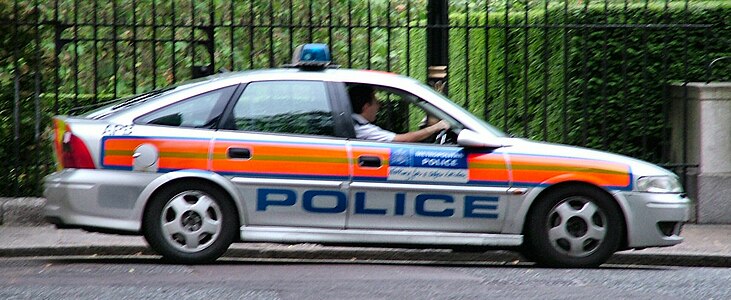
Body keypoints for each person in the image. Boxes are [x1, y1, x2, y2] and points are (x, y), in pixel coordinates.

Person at [348, 85, 450, 143]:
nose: (379, 106)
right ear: (366, 106)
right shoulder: (362, 129)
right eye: (376, 102)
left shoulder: (353, 123)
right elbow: (402, 140)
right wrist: (436, 127)